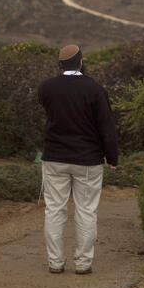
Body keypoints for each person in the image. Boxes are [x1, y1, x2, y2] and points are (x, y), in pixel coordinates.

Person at [38, 44, 119, 275]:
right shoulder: (95, 89)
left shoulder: (46, 88)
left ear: (60, 65)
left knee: (54, 210)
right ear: (81, 62)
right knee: (86, 211)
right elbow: (107, 128)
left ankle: (55, 262)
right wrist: (112, 158)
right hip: (88, 160)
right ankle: (83, 263)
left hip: (54, 158)